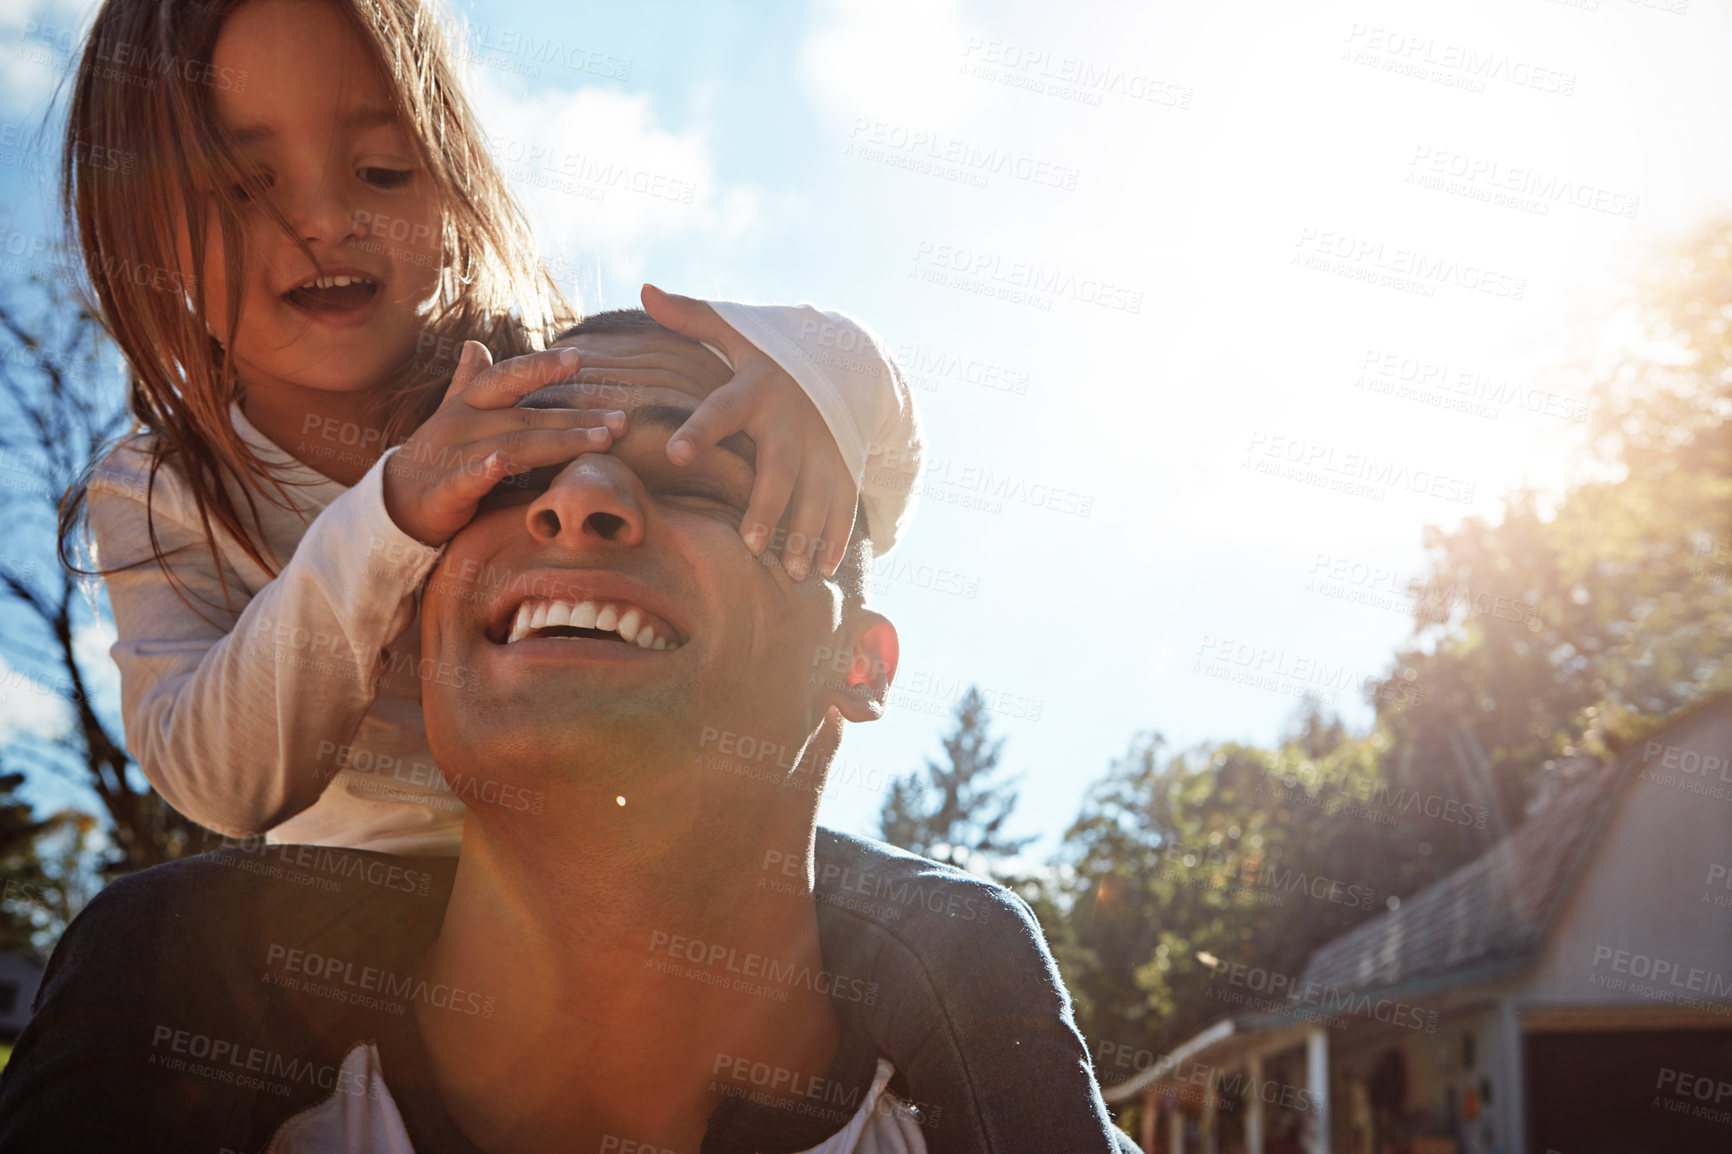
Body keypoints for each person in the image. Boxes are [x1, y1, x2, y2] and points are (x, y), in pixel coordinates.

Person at [0, 314, 1139, 1153]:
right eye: (510, 476)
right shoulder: (159, 1055)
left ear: (855, 660)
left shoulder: (1004, 1090)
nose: (577, 496)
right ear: (411, 618)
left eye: (700, 476)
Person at [64, 0, 920, 854]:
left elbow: (875, 494)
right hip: (349, 908)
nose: (326, 220)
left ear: (450, 174)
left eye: (383, 171)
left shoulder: (540, 383)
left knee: (940, 922)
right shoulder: (158, 490)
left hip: (634, 866)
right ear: (138, 223)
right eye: (245, 188)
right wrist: (390, 514)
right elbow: (215, 780)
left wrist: (821, 381)